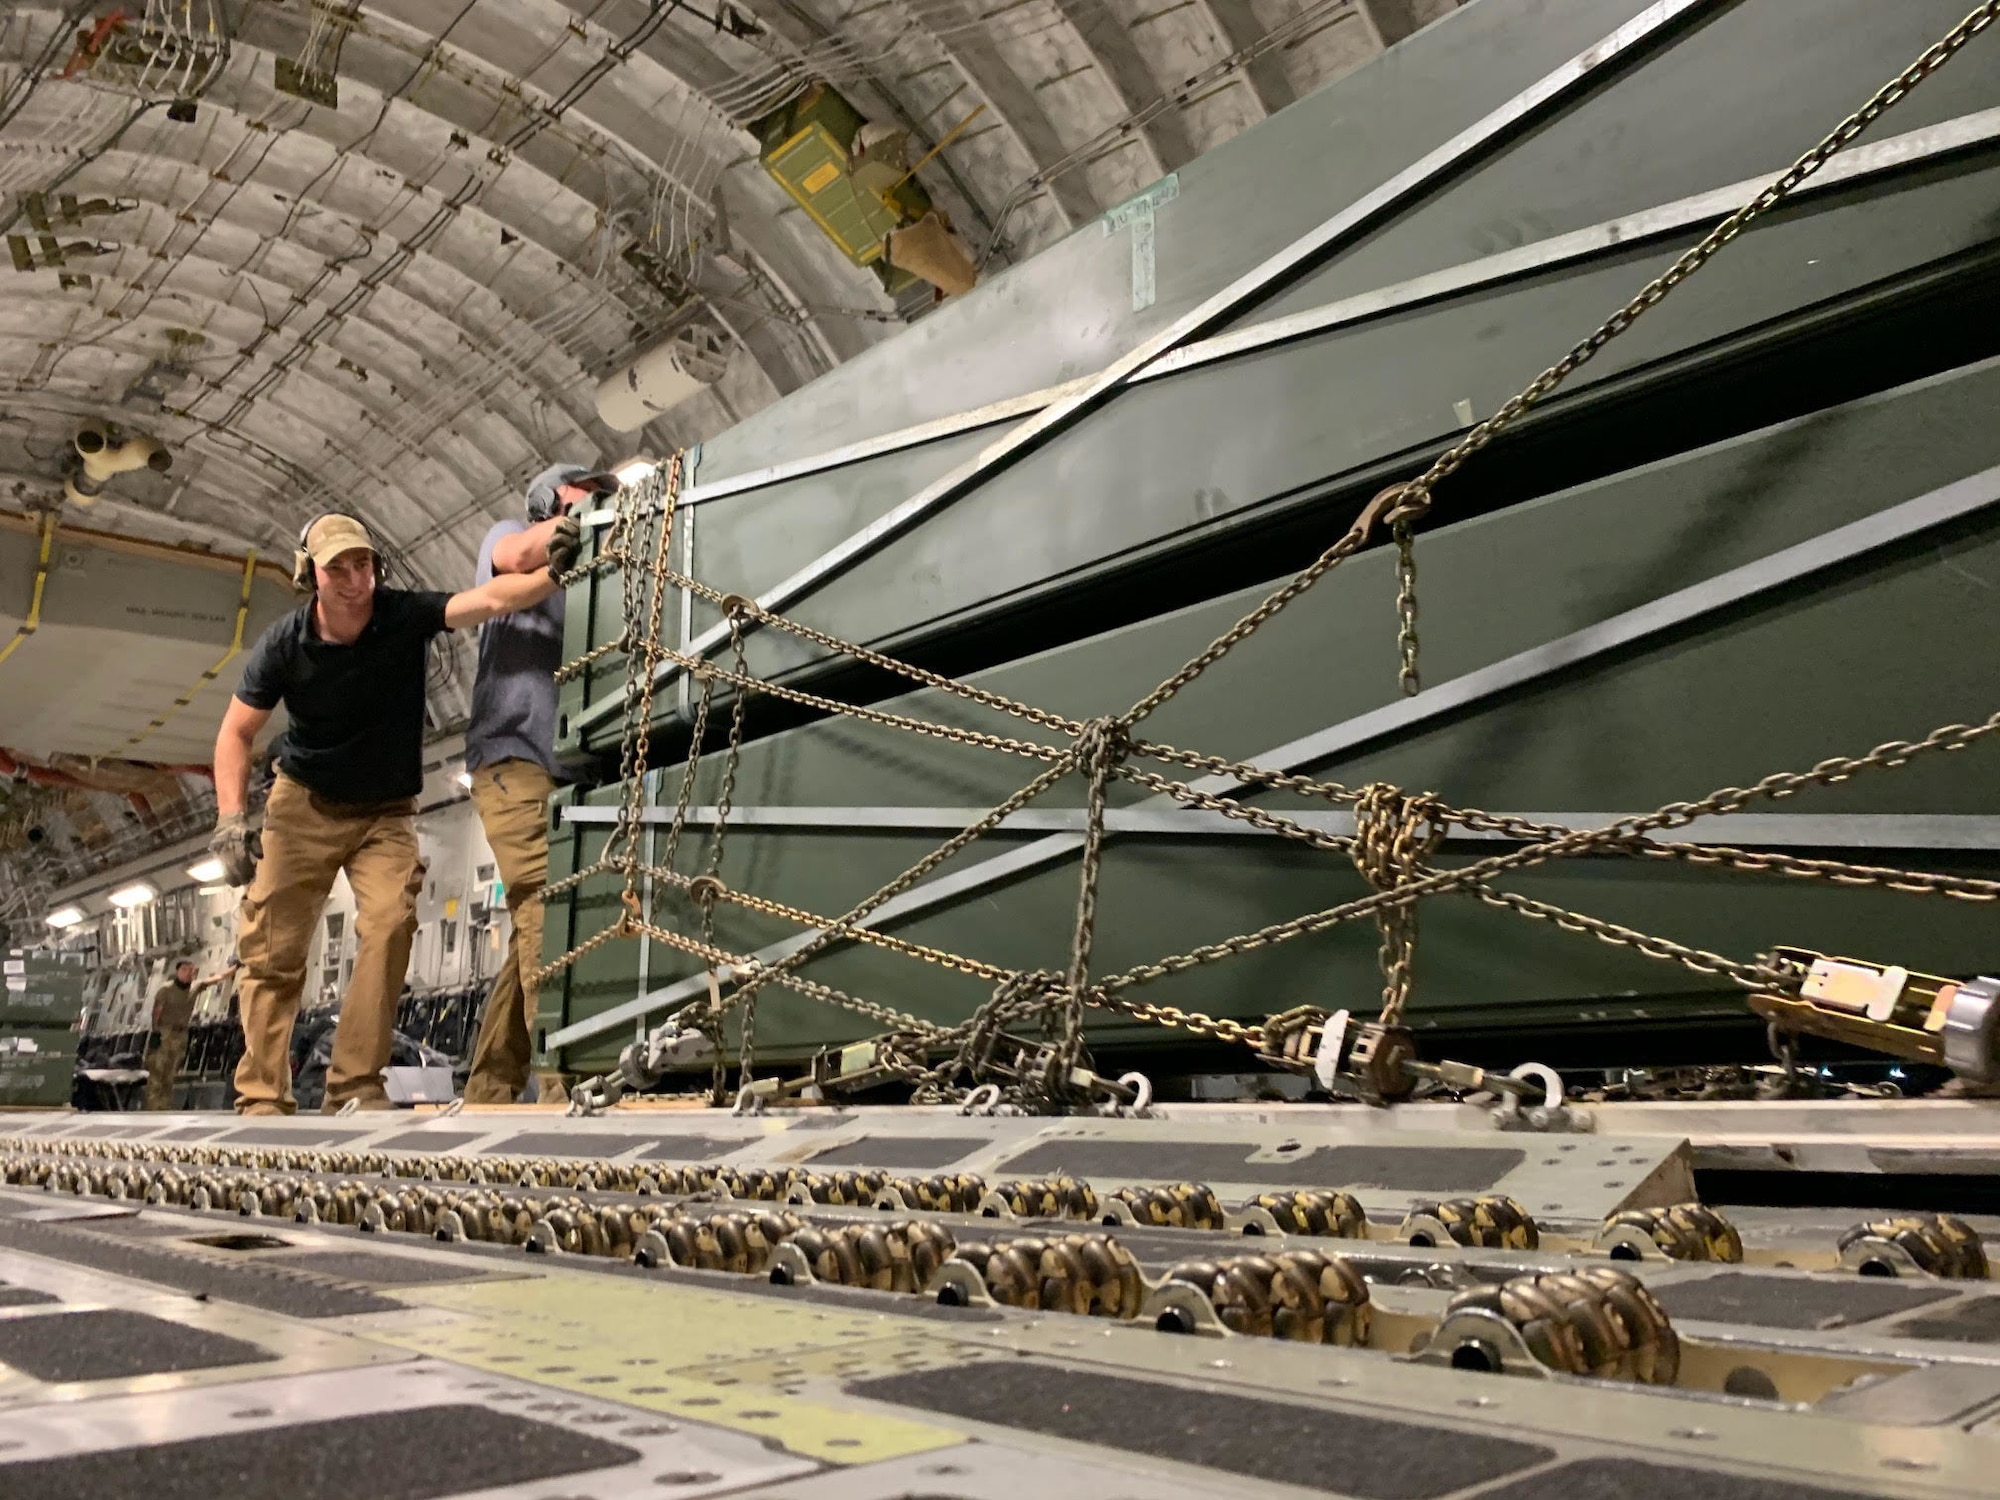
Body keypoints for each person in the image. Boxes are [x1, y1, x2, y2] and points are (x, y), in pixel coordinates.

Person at [208, 512, 580, 1115]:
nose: (356, 579)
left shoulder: (401, 615)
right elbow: (235, 733)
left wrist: (552, 577)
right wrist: (230, 819)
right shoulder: (284, 643)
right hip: (303, 803)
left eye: (364, 564)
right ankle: (261, 1094)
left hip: (385, 812)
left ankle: (354, 1086)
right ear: (312, 577)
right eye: (339, 568)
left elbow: (485, 599)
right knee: (273, 951)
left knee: (389, 927)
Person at [461, 464, 612, 1104]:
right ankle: (560, 1093)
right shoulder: (517, 535)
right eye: (588, 493)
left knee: (538, 926)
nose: (602, 501)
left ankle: (490, 1090)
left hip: (567, 768)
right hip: (514, 758)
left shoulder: (593, 576)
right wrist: (571, 529)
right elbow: (517, 553)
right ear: (552, 501)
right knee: (545, 915)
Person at [143, 957, 234, 1110]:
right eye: (184, 970)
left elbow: (217, 978)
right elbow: (156, 1012)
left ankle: (164, 1107)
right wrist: (155, 1032)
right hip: (165, 1032)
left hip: (181, 1034)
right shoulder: (166, 989)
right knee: (158, 1071)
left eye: (190, 970)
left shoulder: (194, 987)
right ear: (177, 971)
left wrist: (235, 968)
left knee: (171, 1073)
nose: (187, 973)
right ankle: (153, 1107)